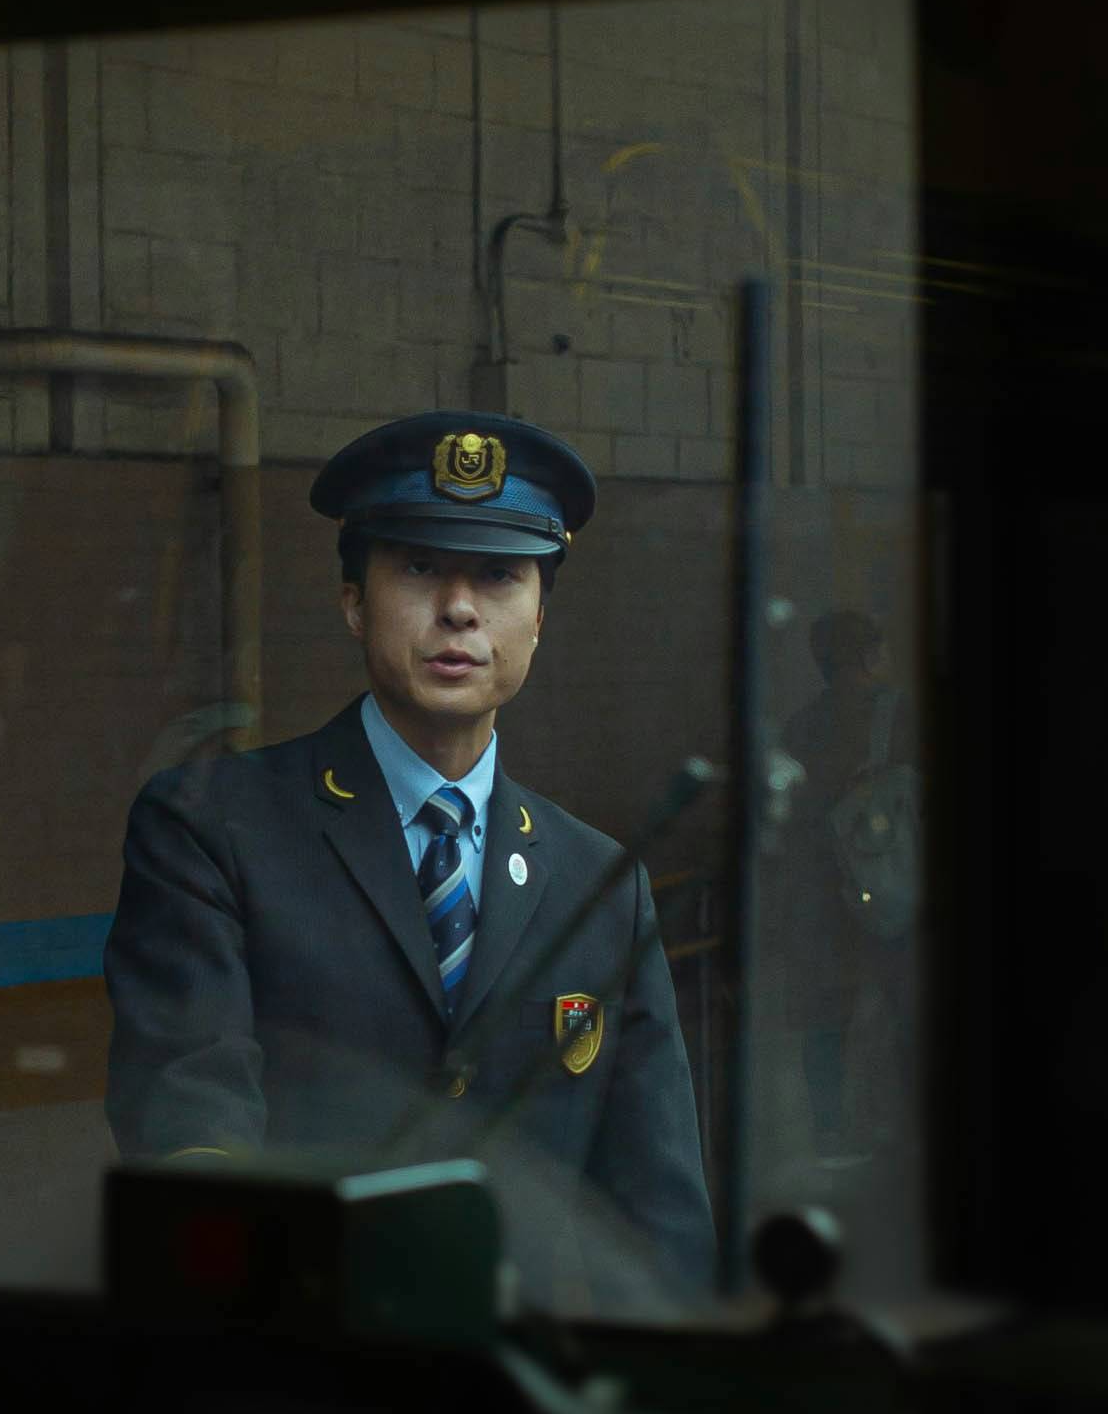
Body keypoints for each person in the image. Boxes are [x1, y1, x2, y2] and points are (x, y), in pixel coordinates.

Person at [105, 413, 714, 1305]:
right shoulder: (212, 830)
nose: (460, 607)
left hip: (527, 1385)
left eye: (500, 575)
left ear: (540, 616)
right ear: (354, 599)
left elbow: (658, 1207)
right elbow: (188, 1113)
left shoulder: (598, 883)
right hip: (307, 1352)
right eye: (420, 566)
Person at [781, 605, 913, 1166]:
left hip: (827, 896)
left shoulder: (801, 728)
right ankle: (903, 1133)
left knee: (827, 1018)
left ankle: (831, 1134)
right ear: (866, 655)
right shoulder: (903, 717)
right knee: (905, 1012)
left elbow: (791, 825)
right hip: (898, 897)